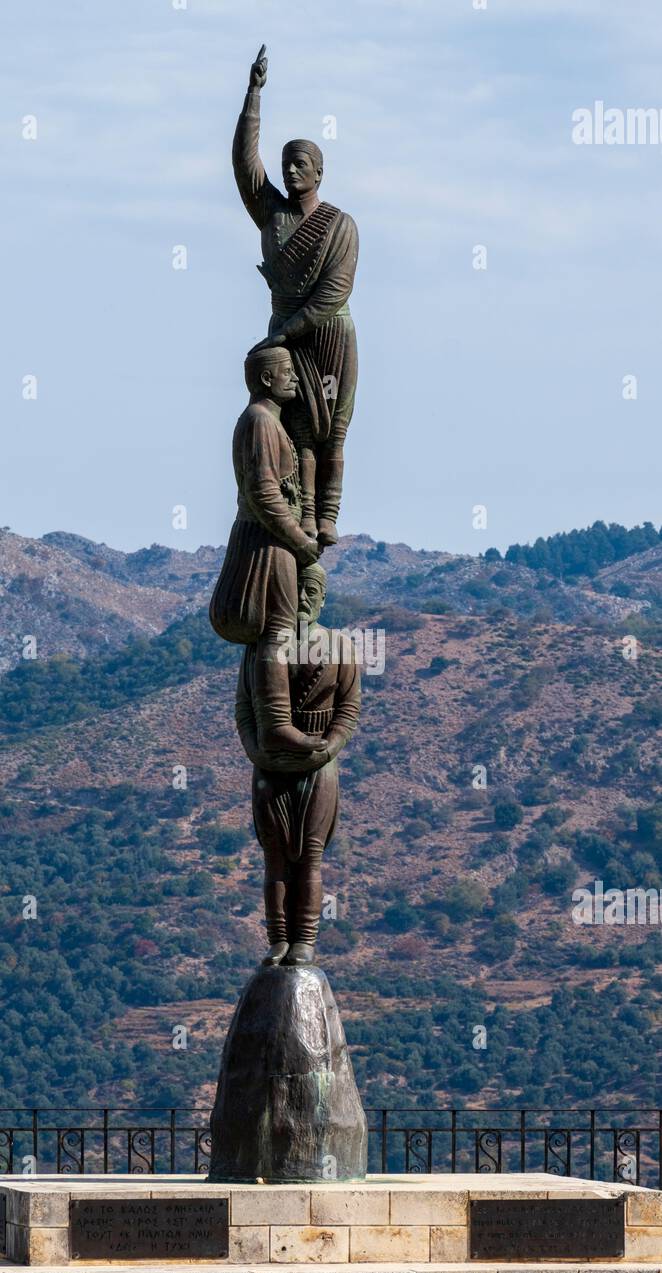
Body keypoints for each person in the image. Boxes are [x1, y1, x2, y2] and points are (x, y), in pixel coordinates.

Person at [232, 44, 359, 547]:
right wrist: (253, 94)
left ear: (319, 173)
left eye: (300, 164)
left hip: (327, 333)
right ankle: (302, 512)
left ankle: (328, 513)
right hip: (285, 335)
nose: (290, 172)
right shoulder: (272, 214)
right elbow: (244, 163)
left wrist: (287, 329)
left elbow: (335, 289)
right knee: (297, 428)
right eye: (286, 164)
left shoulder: (341, 225)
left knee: (335, 427)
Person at [235, 562, 361, 966]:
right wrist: (256, 751)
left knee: (309, 853)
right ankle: (277, 939)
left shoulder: (341, 646)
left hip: (317, 763)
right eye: (297, 589)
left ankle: (304, 939)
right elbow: (243, 709)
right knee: (274, 854)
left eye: (311, 590)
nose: (303, 598)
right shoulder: (260, 647)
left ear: (322, 597)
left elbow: (349, 708)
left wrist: (330, 747)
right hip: (270, 766)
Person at [209, 345, 325, 758]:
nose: (293, 378)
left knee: (279, 628)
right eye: (287, 371)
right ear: (265, 379)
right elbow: (263, 491)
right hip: (267, 540)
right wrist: (299, 540)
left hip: (277, 539)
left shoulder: (272, 423)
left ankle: (275, 721)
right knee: (275, 629)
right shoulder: (259, 421)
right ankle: (276, 724)